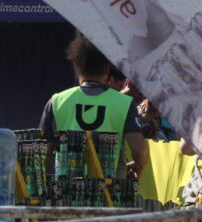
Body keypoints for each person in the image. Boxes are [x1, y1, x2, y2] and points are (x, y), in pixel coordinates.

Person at [40, 33, 148, 179]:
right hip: (109, 187)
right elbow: (139, 150)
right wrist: (137, 168)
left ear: (76, 66)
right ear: (107, 67)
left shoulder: (56, 101)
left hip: (67, 187)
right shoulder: (124, 103)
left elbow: (43, 153)